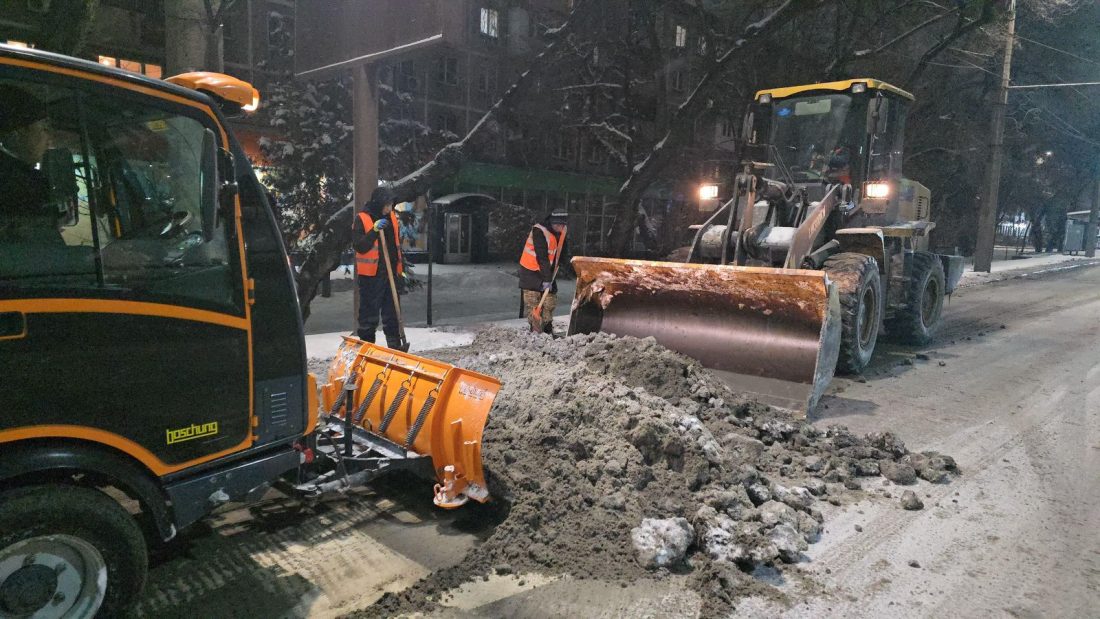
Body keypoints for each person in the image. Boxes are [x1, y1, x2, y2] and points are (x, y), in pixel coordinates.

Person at [352, 189, 405, 348]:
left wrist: (399, 272)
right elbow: (360, 246)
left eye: (391, 205)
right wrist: (374, 231)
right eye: (387, 205)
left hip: (390, 274)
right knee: (369, 316)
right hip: (371, 277)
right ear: (378, 203)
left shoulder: (392, 219)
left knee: (392, 315)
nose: (389, 209)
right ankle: (367, 348)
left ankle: (395, 348)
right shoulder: (362, 219)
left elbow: (395, 246)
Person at [0, 84, 53, 240]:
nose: (49, 140)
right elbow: (35, 242)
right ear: (18, 133)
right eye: (44, 129)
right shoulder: (28, 182)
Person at [518, 210, 567, 334]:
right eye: (557, 225)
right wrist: (547, 279)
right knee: (533, 302)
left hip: (548, 271)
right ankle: (535, 330)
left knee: (549, 302)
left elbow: (562, 250)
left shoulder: (562, 231)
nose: (560, 228)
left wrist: (564, 265)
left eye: (562, 225)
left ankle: (547, 329)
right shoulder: (539, 231)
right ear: (551, 222)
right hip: (531, 271)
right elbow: (542, 257)